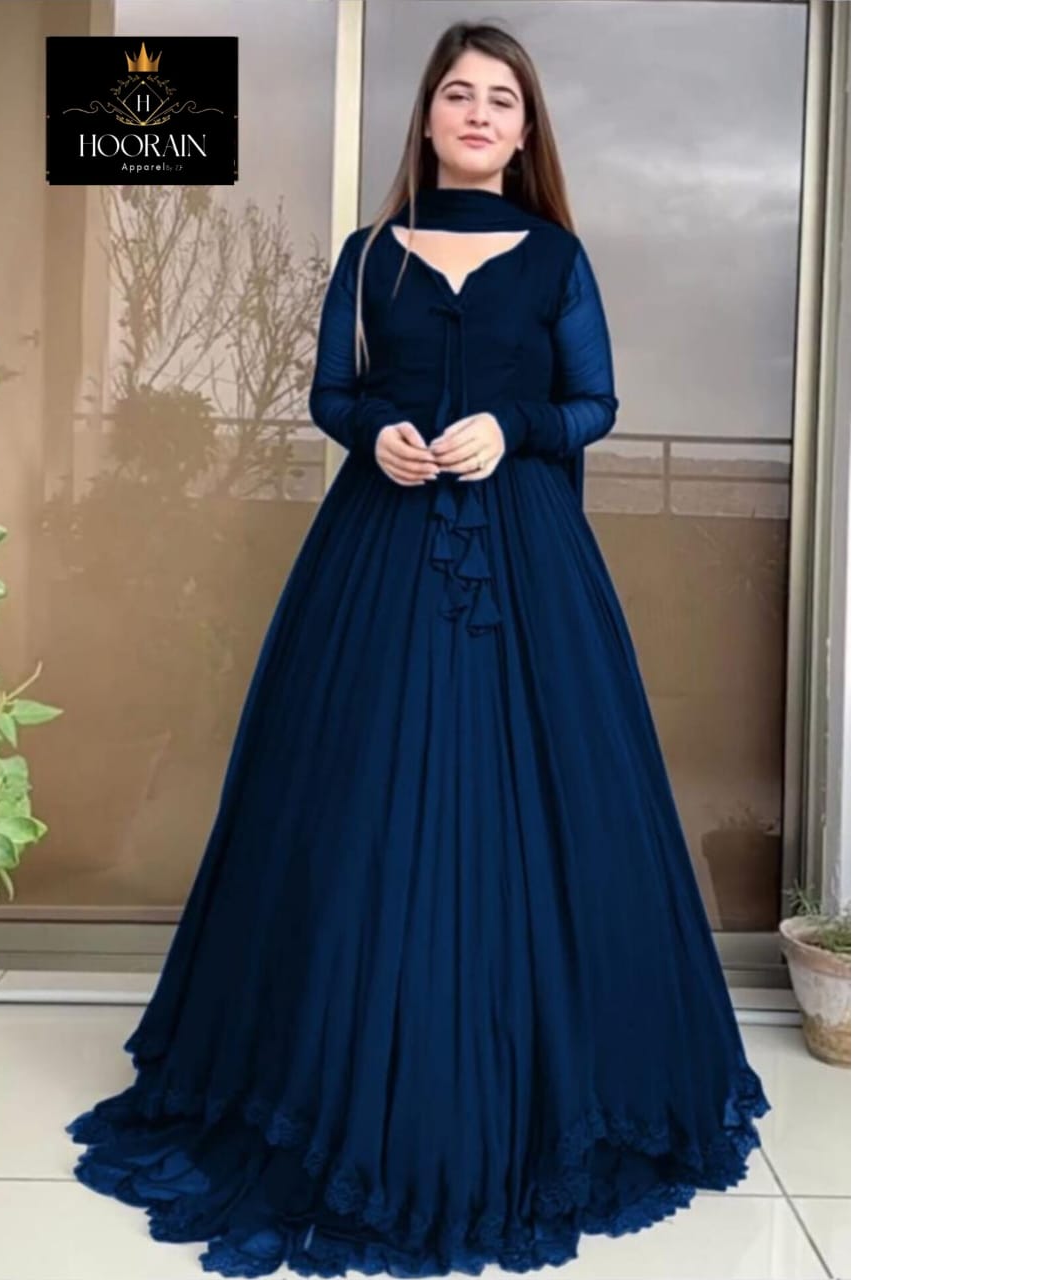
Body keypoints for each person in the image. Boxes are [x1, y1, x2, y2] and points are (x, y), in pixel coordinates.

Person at [66, 20, 771, 1277]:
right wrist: (375, 432)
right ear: (429, 117)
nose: (479, 112)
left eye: (501, 97)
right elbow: (331, 394)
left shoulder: (554, 256)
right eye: (458, 92)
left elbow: (594, 402)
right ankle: (336, 1070)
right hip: (377, 551)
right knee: (356, 795)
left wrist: (511, 426)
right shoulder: (369, 253)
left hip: (525, 557)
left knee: (533, 803)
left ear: (525, 128)